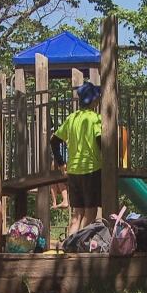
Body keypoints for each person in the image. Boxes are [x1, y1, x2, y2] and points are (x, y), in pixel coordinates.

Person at [51, 82, 102, 237]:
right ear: (94, 100)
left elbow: (54, 140)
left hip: (73, 170)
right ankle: (80, 242)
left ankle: (70, 244)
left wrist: (61, 162)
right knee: (91, 211)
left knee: (77, 213)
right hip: (92, 168)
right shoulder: (95, 118)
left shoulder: (72, 118)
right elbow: (100, 141)